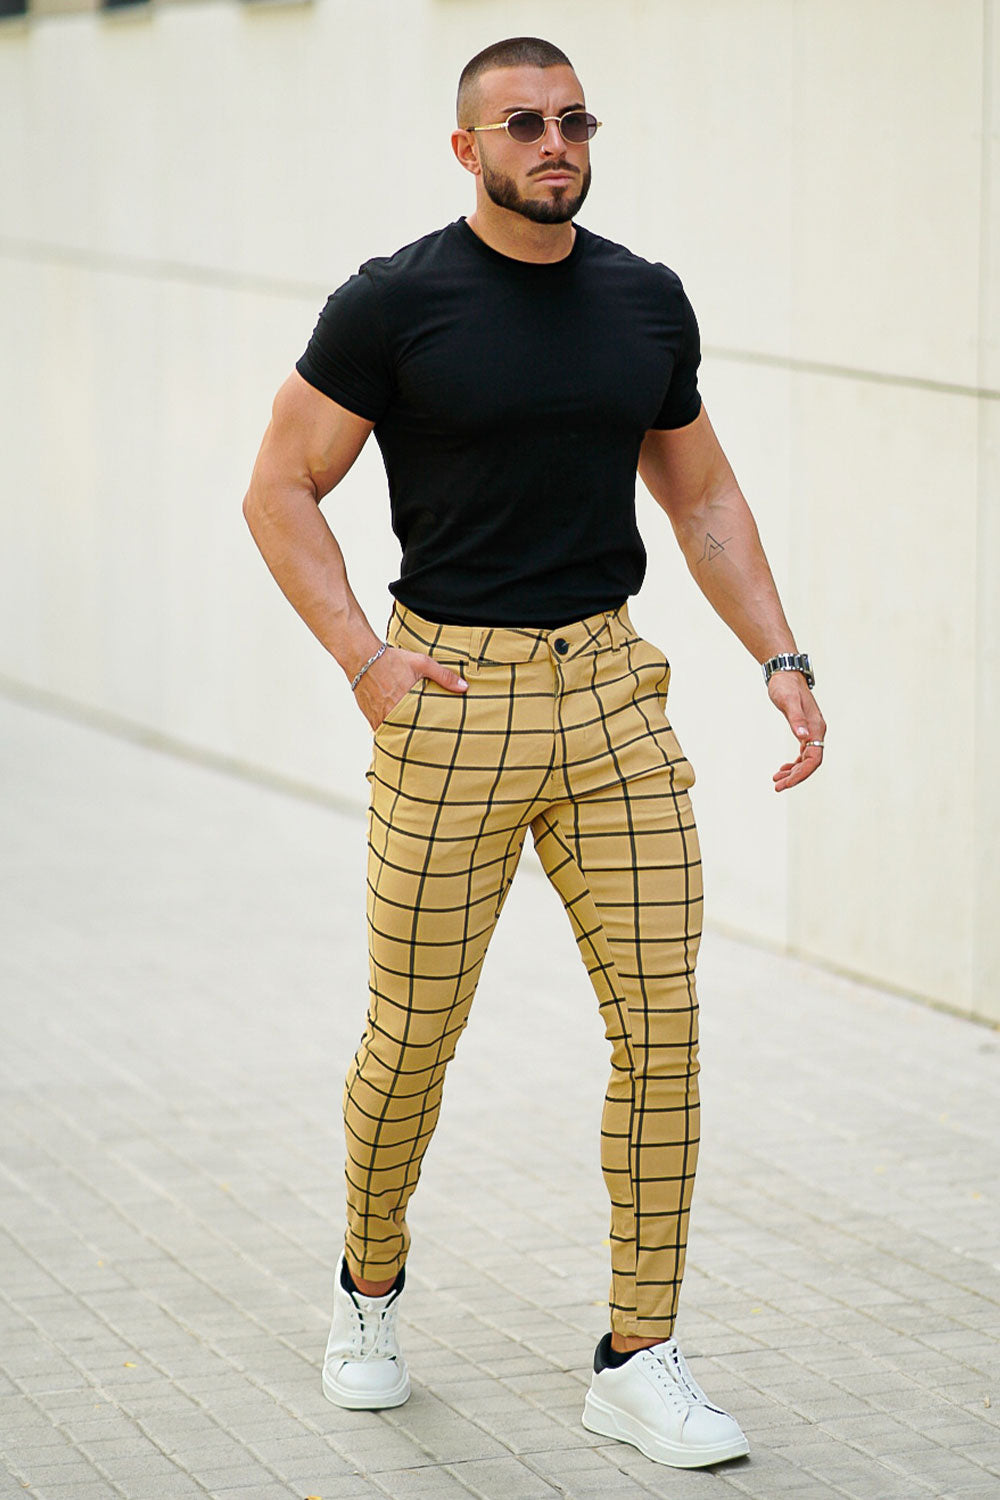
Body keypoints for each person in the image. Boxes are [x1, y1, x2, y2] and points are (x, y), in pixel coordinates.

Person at [242, 34, 825, 1471]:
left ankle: (639, 1352)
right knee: (414, 1035)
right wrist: (365, 661)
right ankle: (369, 1287)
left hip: (612, 698)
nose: (554, 143)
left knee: (664, 1026)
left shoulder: (643, 299)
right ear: (468, 149)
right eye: (522, 124)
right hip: (450, 702)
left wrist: (781, 656)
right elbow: (279, 490)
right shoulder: (394, 304)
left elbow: (702, 497)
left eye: (573, 121)